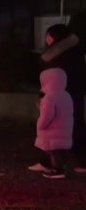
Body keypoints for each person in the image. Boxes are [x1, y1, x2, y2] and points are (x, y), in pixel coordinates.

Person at [41, 24, 86, 168]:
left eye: (48, 36)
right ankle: (79, 161)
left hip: (58, 96)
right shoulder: (76, 50)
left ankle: (54, 164)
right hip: (75, 94)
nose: (46, 40)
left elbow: (51, 78)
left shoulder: (54, 55)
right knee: (76, 124)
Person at [32, 67, 75, 179]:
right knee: (62, 149)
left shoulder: (49, 98)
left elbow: (47, 115)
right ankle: (67, 168)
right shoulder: (66, 95)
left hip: (52, 130)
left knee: (53, 150)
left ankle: (58, 170)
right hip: (65, 128)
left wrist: (40, 125)